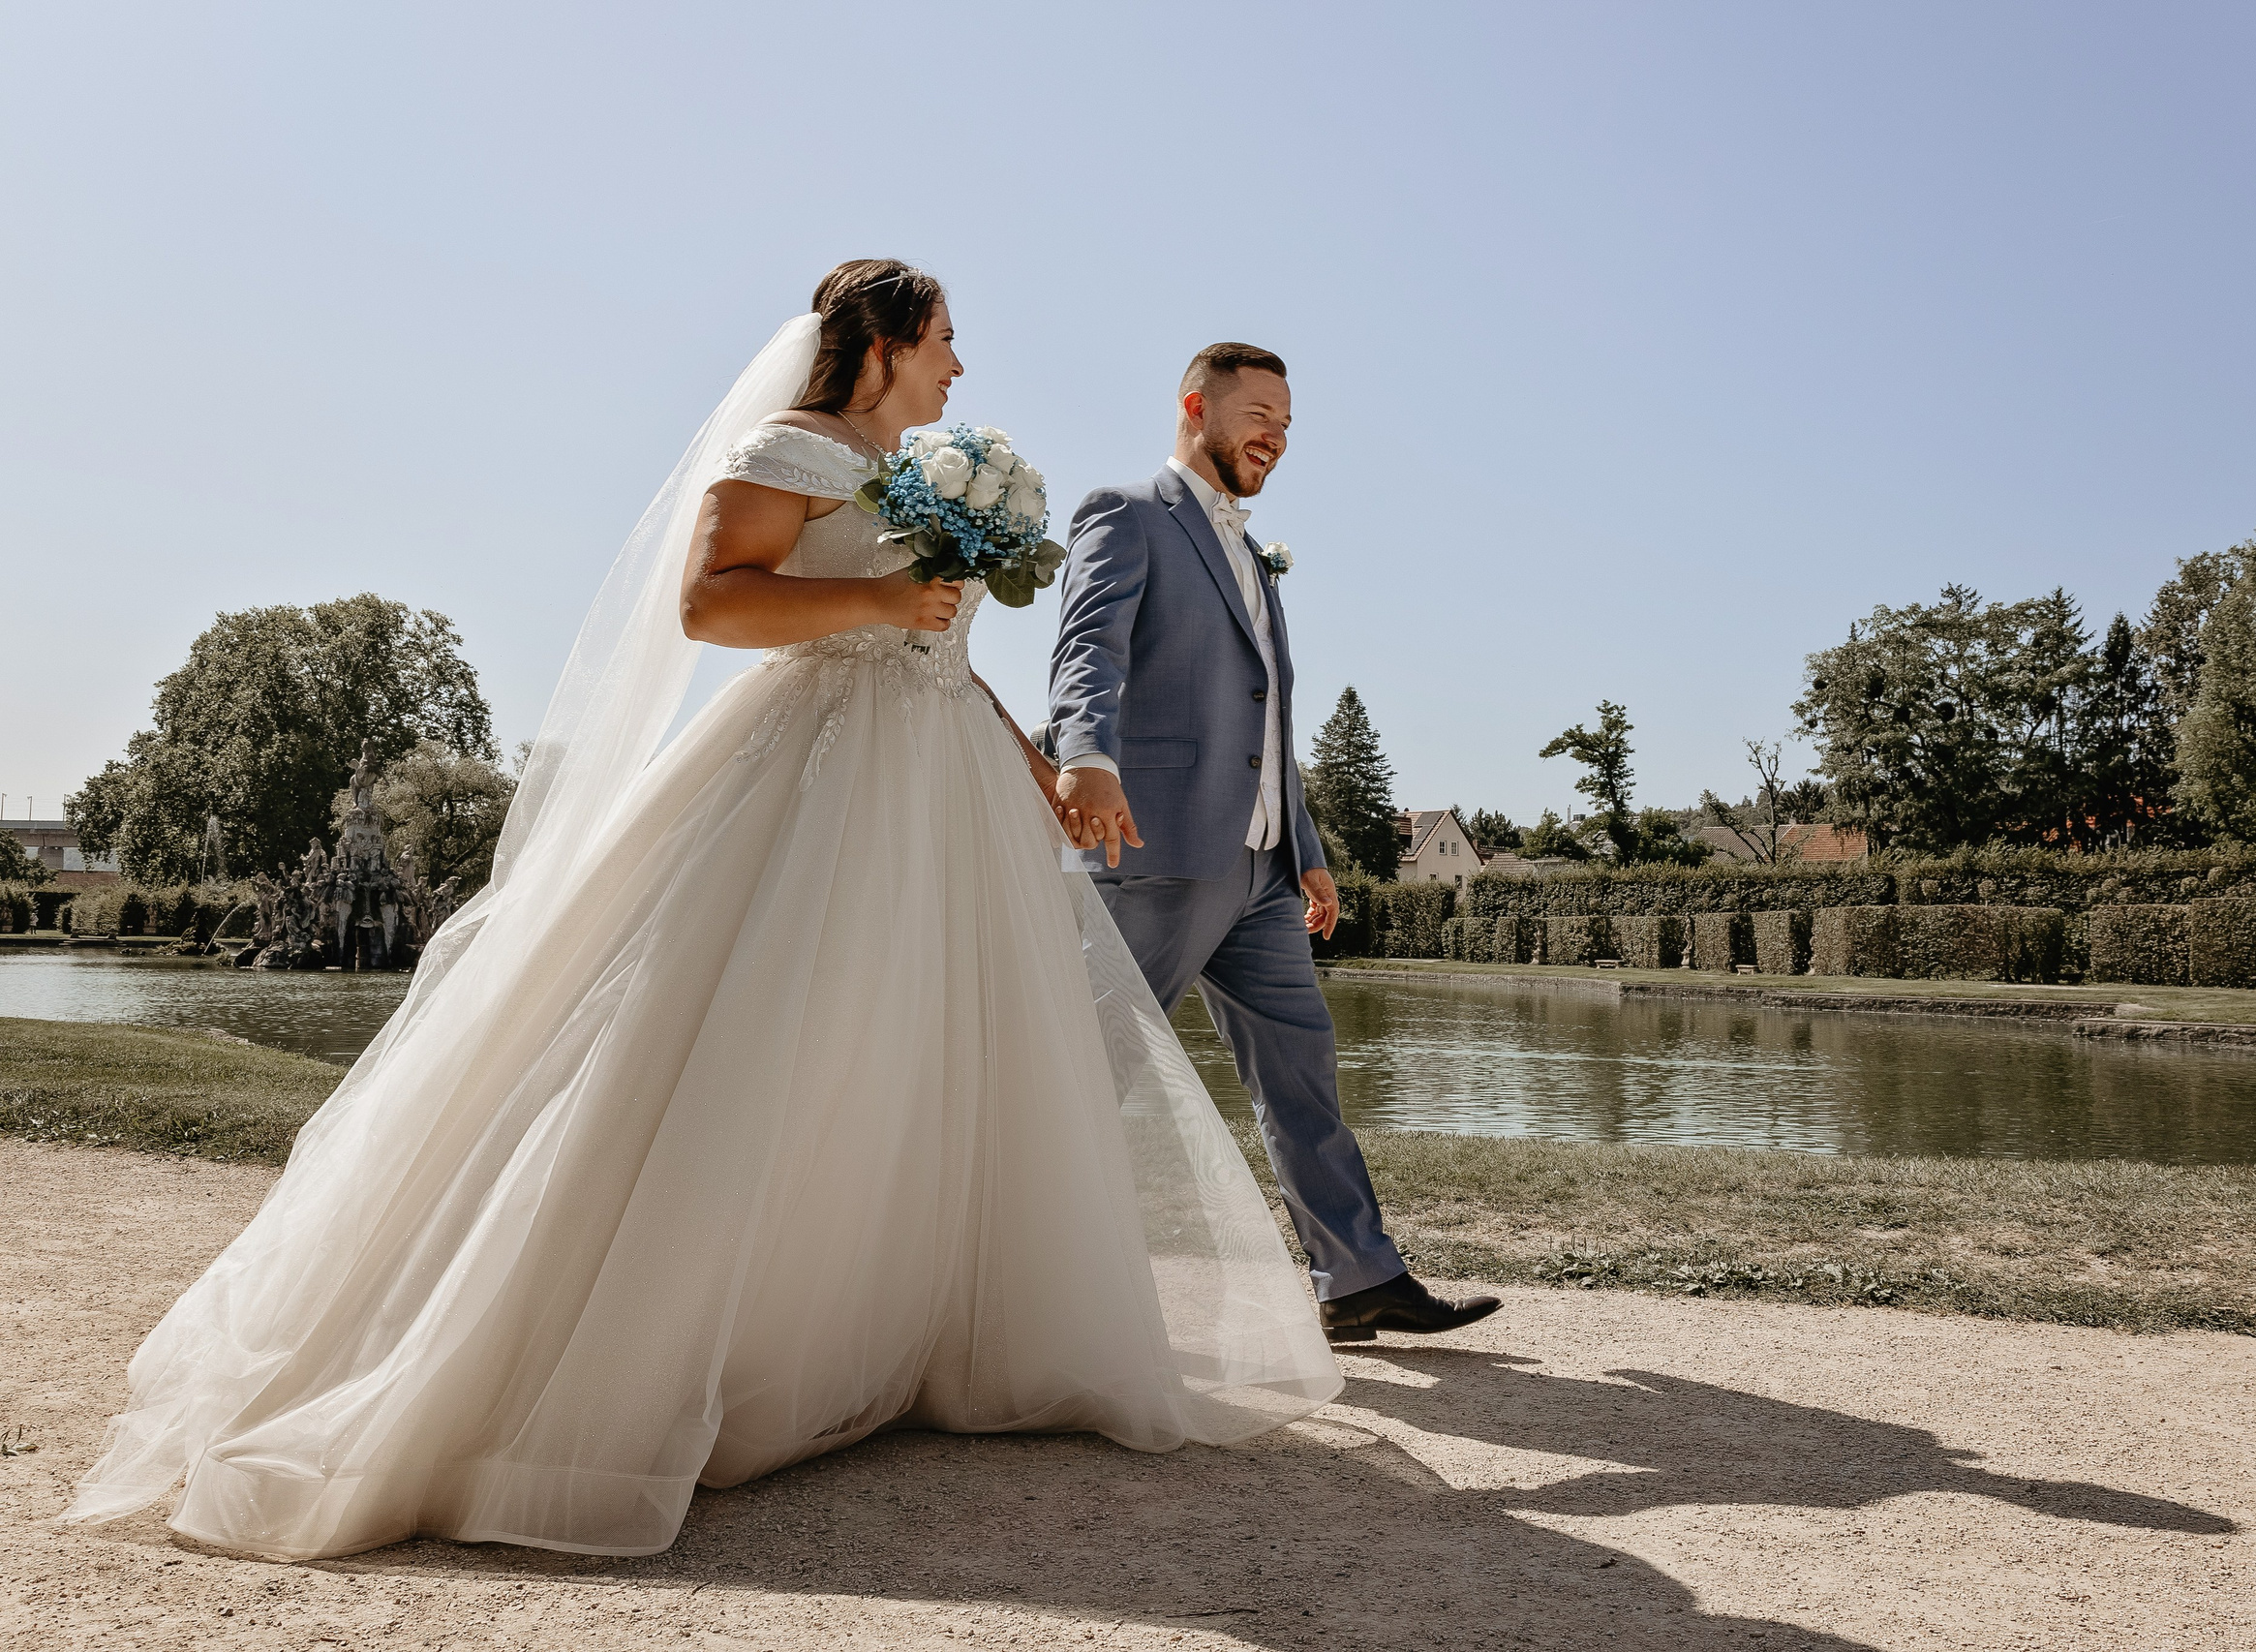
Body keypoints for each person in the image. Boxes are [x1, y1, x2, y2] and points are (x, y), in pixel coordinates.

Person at [57, 262, 1338, 1562]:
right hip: (816, 775)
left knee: (903, 1060)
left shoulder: (915, 475)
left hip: (938, 786)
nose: (960, 366)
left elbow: (945, 654)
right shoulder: (789, 446)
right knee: (766, 1044)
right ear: (884, 345)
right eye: (945, 341)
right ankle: (670, 1351)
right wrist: (879, 599)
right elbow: (711, 598)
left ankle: (873, 1333)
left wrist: (1040, 773)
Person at [1047, 344, 1503, 1344]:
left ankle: (1357, 1278)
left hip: (1260, 872)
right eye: (1259, 414)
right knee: (1083, 1069)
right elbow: (1088, 648)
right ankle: (1007, 1277)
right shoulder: (1126, 512)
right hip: (1156, 847)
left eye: (1287, 424)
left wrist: (1307, 847)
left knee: (1303, 1075)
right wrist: (1084, 754)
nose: (1276, 437)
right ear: (1193, 407)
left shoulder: (1255, 558)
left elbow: (1269, 719)